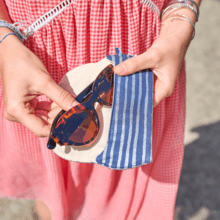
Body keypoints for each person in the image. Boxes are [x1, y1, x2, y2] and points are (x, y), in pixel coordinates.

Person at [0, 0, 201, 219]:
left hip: (141, 58)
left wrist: (180, 25)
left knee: (129, 181)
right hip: (36, 69)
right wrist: (4, 41)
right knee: (54, 190)